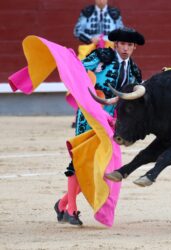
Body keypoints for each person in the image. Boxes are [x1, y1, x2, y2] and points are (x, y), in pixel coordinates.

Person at [54, 27, 145, 226]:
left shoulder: (135, 70)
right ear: (116, 44)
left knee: (103, 166)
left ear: (134, 48)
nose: (126, 48)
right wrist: (89, 76)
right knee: (82, 158)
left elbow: (134, 99)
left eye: (130, 45)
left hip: (112, 121)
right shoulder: (102, 56)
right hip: (89, 115)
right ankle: (71, 208)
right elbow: (77, 71)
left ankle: (62, 203)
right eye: (122, 44)